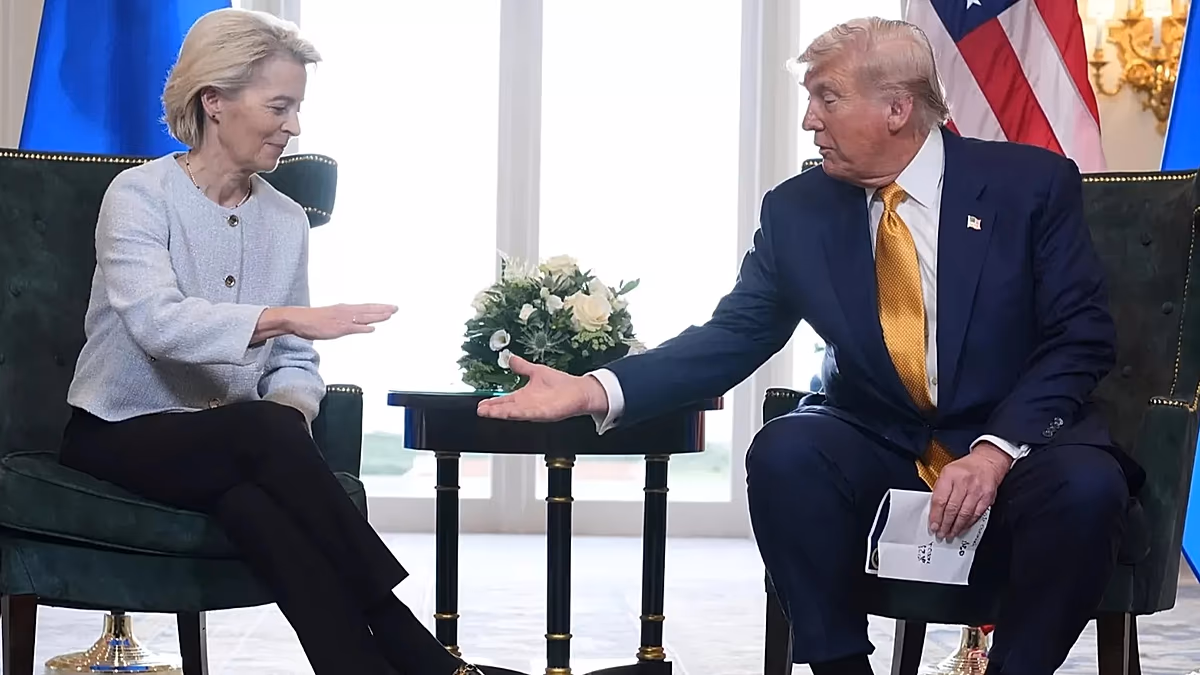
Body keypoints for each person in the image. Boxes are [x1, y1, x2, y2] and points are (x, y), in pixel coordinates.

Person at [477, 17, 1145, 675]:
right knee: (786, 450)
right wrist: (594, 388)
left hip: (1017, 446)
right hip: (883, 442)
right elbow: (734, 335)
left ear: (896, 108)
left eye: (827, 98)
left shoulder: (1029, 186)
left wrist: (995, 451)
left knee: (1088, 488)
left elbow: (1079, 338)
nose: (809, 121)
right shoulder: (797, 210)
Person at [59, 8, 484, 675]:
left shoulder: (286, 219)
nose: (294, 127)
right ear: (215, 101)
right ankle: (413, 644)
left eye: (298, 108)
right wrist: (283, 322)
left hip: (235, 444)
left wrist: (289, 415)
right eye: (279, 107)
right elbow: (157, 323)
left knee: (254, 501)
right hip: (118, 430)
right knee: (262, 433)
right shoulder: (139, 195)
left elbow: (294, 362)